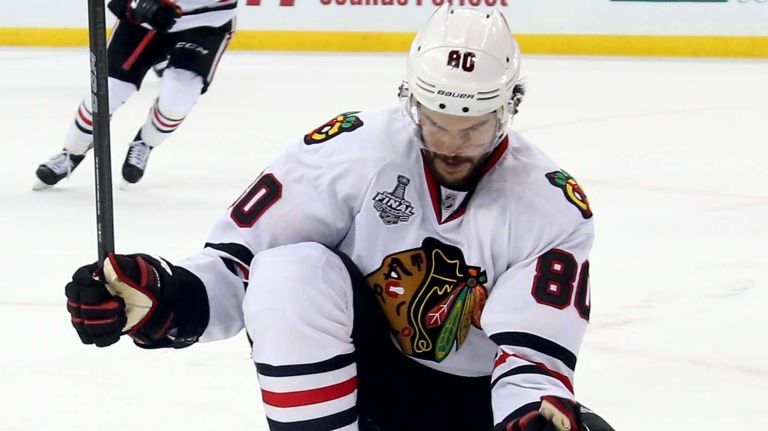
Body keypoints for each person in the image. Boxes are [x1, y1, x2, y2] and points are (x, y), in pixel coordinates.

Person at [64, 6, 615, 431]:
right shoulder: (349, 151)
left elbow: (531, 356)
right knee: (290, 273)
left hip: (472, 408)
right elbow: (241, 267)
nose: (451, 144)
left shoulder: (551, 205)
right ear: (410, 102)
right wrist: (166, 295)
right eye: (435, 123)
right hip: (364, 384)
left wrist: (532, 416)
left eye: (472, 128)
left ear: (508, 108)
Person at [34, 0, 236, 189]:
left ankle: (145, 142)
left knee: (176, 103)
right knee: (106, 94)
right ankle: (72, 152)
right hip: (145, 17)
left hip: (207, 24)